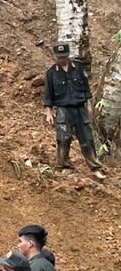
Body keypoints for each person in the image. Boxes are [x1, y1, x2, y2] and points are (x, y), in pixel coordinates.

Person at [43, 41, 104, 176]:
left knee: (87, 138)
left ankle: (95, 167)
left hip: (80, 109)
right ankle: (65, 165)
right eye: (59, 57)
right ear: (55, 57)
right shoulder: (51, 73)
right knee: (63, 138)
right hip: (63, 110)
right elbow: (48, 95)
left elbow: (86, 87)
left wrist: (88, 104)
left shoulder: (78, 67)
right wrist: (48, 112)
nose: (62, 60)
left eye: (64, 57)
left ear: (68, 55)